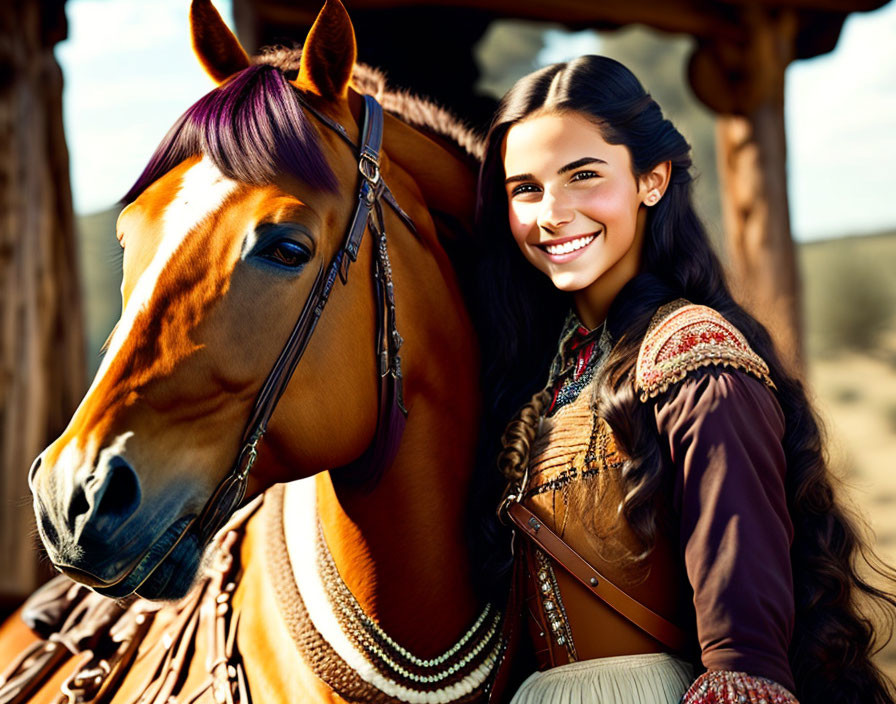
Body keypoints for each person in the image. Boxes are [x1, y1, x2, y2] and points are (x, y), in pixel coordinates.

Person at [470, 55, 896, 704]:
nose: (551, 213)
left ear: (651, 179)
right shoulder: (541, 371)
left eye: (583, 176)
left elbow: (744, 642)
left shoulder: (696, 354)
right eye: (525, 188)